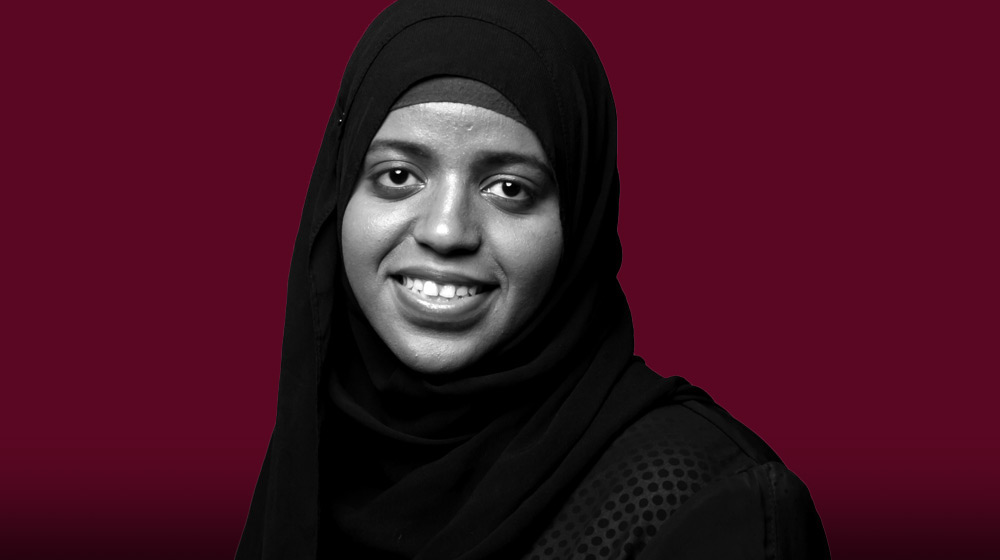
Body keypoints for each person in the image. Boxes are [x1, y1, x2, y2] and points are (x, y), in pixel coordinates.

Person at [236, 0, 830, 558]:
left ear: (579, 222)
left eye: (510, 188)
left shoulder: (701, 498)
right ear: (339, 197)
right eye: (398, 176)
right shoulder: (317, 450)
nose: (446, 231)